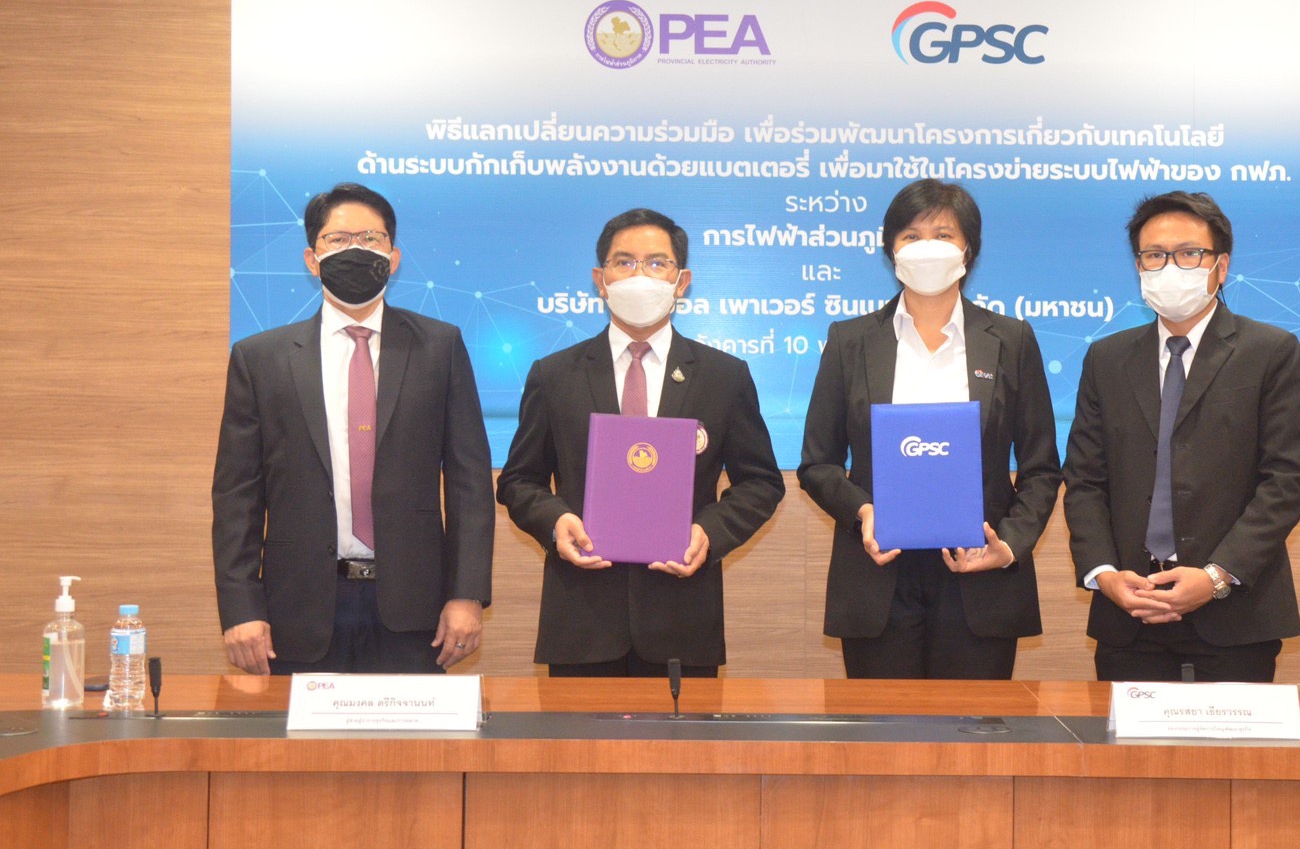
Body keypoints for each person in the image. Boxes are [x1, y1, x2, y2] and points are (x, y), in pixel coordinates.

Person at [212, 182, 494, 675]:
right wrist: (241, 607)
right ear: (311, 258)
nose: (356, 250)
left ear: (393, 257)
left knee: (413, 730)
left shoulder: (439, 347)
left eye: (370, 238)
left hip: (415, 611)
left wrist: (466, 594)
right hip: (296, 611)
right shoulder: (260, 359)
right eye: (338, 240)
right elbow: (238, 494)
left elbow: (469, 482)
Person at [496, 208, 783, 677]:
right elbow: (518, 481)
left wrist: (709, 533)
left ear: (681, 281)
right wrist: (556, 521)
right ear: (600, 279)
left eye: (656, 263)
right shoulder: (554, 374)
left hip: (682, 618)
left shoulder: (723, 376)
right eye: (624, 262)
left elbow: (761, 483)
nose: (640, 275)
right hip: (581, 621)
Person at [798, 179, 1061, 679]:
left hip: (979, 578)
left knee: (975, 726)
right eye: (911, 236)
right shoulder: (850, 341)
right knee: (881, 725)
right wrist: (862, 512)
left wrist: (1008, 543)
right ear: (891, 251)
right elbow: (817, 463)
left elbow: (1042, 466)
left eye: (943, 235)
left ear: (968, 250)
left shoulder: (1011, 340)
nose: (927, 248)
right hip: (878, 576)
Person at [1063, 190, 1300, 682]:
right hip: (1129, 614)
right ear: (1139, 266)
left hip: (1235, 615)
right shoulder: (1107, 359)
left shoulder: (1270, 352)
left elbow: (1285, 482)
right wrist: (1105, 576)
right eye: (1154, 256)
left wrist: (1216, 577)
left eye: (1188, 253)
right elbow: (1085, 480)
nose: (1170, 268)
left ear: (1221, 266)